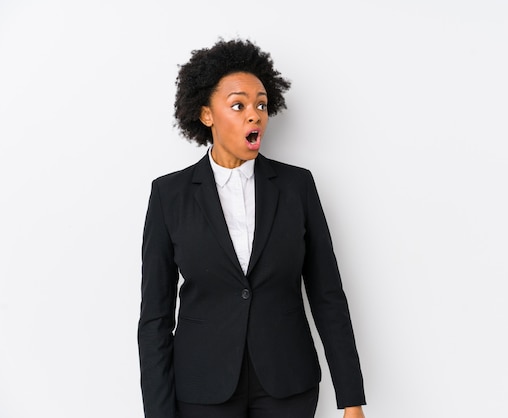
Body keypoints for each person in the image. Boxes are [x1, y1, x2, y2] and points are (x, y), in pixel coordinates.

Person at [138, 38, 366, 418]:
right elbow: (155, 318)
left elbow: (328, 296)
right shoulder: (169, 195)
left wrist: (351, 398)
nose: (255, 114)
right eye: (238, 105)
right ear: (206, 114)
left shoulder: (297, 187)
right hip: (201, 389)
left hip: (287, 386)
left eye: (261, 104)